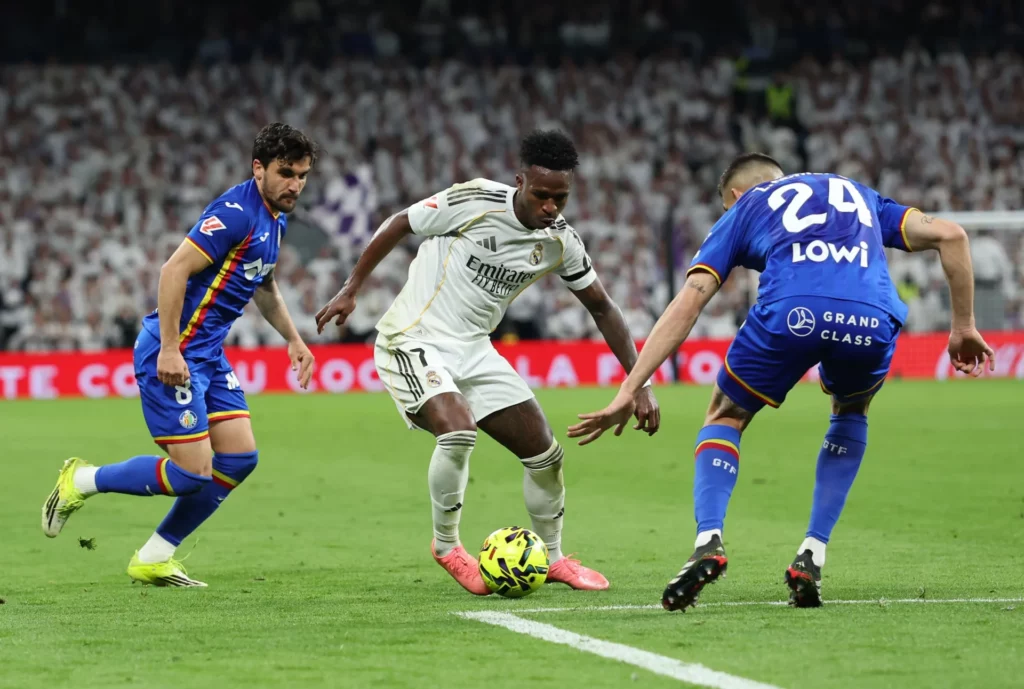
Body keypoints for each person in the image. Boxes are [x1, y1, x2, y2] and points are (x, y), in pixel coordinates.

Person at [568, 153, 994, 610]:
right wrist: (964, 327)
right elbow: (952, 235)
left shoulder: (748, 205)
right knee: (851, 410)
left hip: (793, 312)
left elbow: (691, 299)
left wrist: (631, 387)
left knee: (725, 414)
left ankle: (708, 540)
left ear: (735, 196)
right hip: (871, 317)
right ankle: (813, 551)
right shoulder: (858, 195)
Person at [315, 130, 661, 595]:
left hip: (476, 349)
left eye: (560, 198)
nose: (550, 207)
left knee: (545, 455)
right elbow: (401, 222)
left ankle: (553, 557)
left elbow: (602, 307)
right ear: (520, 181)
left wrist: (640, 383)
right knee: (458, 430)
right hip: (412, 338)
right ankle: (447, 546)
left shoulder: (560, 241)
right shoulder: (475, 201)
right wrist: (351, 286)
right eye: (541, 195)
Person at [42, 123, 319, 587]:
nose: (295, 184)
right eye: (286, 173)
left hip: (207, 354)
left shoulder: (276, 218)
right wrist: (170, 349)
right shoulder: (235, 214)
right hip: (174, 351)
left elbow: (263, 283)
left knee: (239, 458)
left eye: (302, 175)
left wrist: (294, 338)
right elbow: (173, 270)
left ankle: (155, 556)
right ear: (258, 168)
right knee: (193, 474)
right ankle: (82, 480)